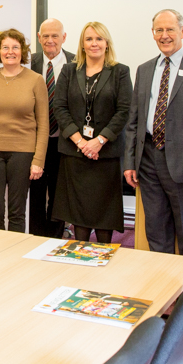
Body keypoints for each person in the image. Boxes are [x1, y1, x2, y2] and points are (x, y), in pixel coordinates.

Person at [123, 9, 183, 257]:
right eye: (159, 30)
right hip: (148, 160)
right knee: (156, 232)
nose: (165, 35)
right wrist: (129, 162)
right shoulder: (145, 69)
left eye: (170, 29)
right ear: (153, 33)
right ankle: (164, 292)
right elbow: (134, 119)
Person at [51, 21, 132, 244]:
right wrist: (80, 142)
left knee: (104, 214)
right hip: (75, 154)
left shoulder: (120, 72)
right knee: (79, 214)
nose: (94, 43)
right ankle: (79, 260)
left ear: (107, 43)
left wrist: (99, 140)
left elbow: (124, 110)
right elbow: (60, 107)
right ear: (82, 44)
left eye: (99, 39)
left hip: (106, 154)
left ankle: (103, 257)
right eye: (89, 39)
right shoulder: (69, 70)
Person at [0, 29, 49, 232]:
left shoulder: (36, 80)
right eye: (6, 47)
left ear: (22, 51)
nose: (10, 52)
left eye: (15, 47)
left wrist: (38, 161)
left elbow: (43, 124)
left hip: (23, 154)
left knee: (17, 212)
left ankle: (14, 258)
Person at [29, 18, 74, 238]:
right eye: (45, 36)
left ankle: (56, 237)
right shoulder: (29, 62)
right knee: (35, 192)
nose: (50, 40)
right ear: (39, 38)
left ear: (63, 37)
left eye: (55, 35)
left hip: (65, 140)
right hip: (35, 140)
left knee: (59, 193)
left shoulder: (77, 63)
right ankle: (37, 237)